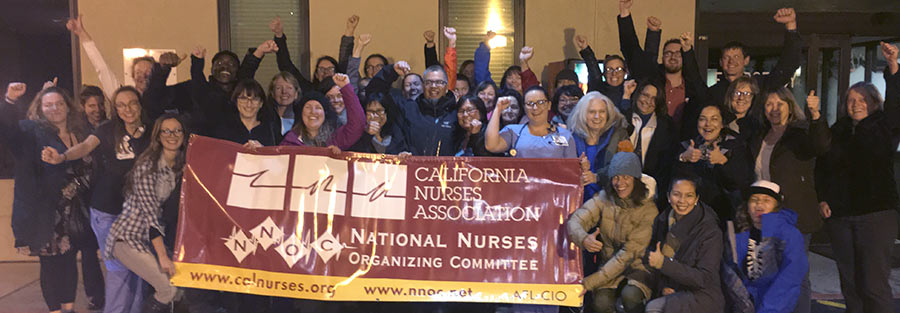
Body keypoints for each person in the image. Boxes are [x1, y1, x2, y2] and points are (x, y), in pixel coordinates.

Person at [42, 86, 151, 313]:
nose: (127, 109)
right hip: (107, 210)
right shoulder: (107, 129)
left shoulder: (151, 130)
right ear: (115, 108)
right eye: (120, 105)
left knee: (142, 267)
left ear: (140, 105)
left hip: (139, 211)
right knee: (118, 267)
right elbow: (84, 147)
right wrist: (62, 156)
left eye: (132, 103)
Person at [815, 42, 899, 313]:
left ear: (874, 103)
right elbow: (822, 166)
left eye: (862, 99)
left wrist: (893, 67)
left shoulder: (884, 126)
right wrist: (822, 198)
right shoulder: (839, 129)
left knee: (873, 285)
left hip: (875, 214)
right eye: (851, 100)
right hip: (840, 216)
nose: (856, 104)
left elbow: (897, 105)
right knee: (849, 284)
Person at [2, 86, 92, 313]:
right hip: (46, 212)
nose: (55, 109)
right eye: (48, 105)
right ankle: (55, 311)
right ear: (40, 109)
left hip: (76, 211)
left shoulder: (79, 133)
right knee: (50, 264)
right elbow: (9, 131)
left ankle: (68, 308)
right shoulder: (30, 131)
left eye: (59, 103)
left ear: (68, 107)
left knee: (70, 261)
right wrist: (11, 101)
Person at [750, 87, 830, 312]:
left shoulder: (800, 133)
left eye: (780, 104)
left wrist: (816, 114)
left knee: (795, 276)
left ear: (790, 106)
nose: (774, 109)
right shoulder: (760, 136)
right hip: (764, 218)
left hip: (794, 216)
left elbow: (821, 146)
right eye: (769, 104)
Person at [105, 114, 189, 313]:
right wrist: (163, 257)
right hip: (129, 238)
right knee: (167, 289)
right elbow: (152, 217)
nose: (172, 135)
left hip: (151, 241)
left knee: (181, 290)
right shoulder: (147, 167)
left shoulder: (180, 166)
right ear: (158, 136)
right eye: (166, 131)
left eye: (177, 130)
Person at [568, 152, 657, 313]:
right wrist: (584, 239)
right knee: (601, 303)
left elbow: (626, 257)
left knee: (630, 296)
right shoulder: (605, 198)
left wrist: (588, 283)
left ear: (636, 179)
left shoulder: (649, 210)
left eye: (626, 177)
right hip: (608, 266)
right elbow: (575, 221)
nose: (620, 183)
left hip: (638, 267)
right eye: (615, 177)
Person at [616, 1, 707, 139]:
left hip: (683, 147)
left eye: (678, 53)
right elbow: (632, 51)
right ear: (662, 57)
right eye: (668, 53)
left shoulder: (692, 86)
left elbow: (694, 74)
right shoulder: (652, 81)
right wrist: (624, 13)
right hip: (651, 144)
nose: (673, 57)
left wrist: (688, 50)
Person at [722, 180, 808, 313]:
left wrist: (768, 309)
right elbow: (730, 273)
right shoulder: (737, 233)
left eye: (766, 200)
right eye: (754, 200)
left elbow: (790, 278)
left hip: (777, 306)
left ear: (776, 206)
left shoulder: (789, 234)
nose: (759, 205)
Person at [643, 176, 724, 313]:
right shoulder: (663, 221)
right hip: (674, 291)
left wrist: (664, 264)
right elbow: (653, 260)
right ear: (669, 197)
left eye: (689, 196)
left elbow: (704, 279)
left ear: (696, 199)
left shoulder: (710, 231)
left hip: (703, 296)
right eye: (676, 194)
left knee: (653, 309)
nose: (682, 201)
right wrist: (664, 286)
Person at [707, 8, 802, 108]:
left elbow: (787, 66)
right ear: (721, 62)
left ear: (746, 60)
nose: (731, 61)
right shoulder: (713, 93)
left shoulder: (760, 86)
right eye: (727, 57)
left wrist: (791, 27)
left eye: (736, 57)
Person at [674, 105, 753, 224]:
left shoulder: (735, 147)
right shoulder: (688, 146)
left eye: (714, 119)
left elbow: (740, 183)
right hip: (691, 214)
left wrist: (723, 162)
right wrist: (683, 158)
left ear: (722, 124)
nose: (708, 124)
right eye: (702, 119)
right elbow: (675, 181)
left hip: (724, 216)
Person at [366, 61, 459, 156]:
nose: (433, 86)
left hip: (447, 170)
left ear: (447, 87)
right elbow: (374, 92)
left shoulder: (457, 113)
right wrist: (391, 71)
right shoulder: (408, 109)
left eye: (439, 82)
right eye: (429, 82)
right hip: (411, 168)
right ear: (423, 86)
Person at [66, 14, 153, 96]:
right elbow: (102, 69)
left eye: (148, 72)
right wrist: (82, 34)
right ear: (133, 76)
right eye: (138, 72)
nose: (143, 76)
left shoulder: (164, 99)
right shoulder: (121, 97)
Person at [567, 91, 630, 201]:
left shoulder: (619, 135)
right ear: (583, 114)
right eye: (592, 112)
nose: (597, 116)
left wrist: (597, 177)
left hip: (609, 201)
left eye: (602, 112)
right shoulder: (571, 137)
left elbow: (626, 167)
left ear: (608, 114)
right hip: (576, 200)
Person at [622, 79, 677, 202]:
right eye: (645, 95)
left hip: (651, 191)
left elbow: (667, 164)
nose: (648, 101)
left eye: (654, 98)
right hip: (622, 185)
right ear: (637, 94)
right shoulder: (625, 116)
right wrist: (626, 96)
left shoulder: (666, 125)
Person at [485, 86, 577, 159]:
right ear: (524, 108)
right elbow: (491, 145)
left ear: (549, 105)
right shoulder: (514, 132)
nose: (535, 108)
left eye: (540, 102)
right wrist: (498, 109)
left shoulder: (564, 135)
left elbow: (571, 170)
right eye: (530, 104)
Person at [282, 74, 364, 149]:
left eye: (318, 108)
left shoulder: (335, 138)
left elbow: (357, 124)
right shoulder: (289, 141)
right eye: (308, 107)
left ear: (325, 113)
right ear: (301, 113)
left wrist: (345, 87)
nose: (313, 112)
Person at [575, 35, 629, 112]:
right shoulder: (598, 90)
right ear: (604, 73)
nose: (614, 73)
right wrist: (585, 49)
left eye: (618, 69)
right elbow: (593, 70)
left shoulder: (631, 91)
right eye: (609, 69)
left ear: (625, 72)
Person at [723, 76, 763, 142]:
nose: (741, 98)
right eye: (737, 93)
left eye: (746, 94)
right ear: (730, 96)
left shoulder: (759, 126)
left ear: (754, 97)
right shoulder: (720, 122)